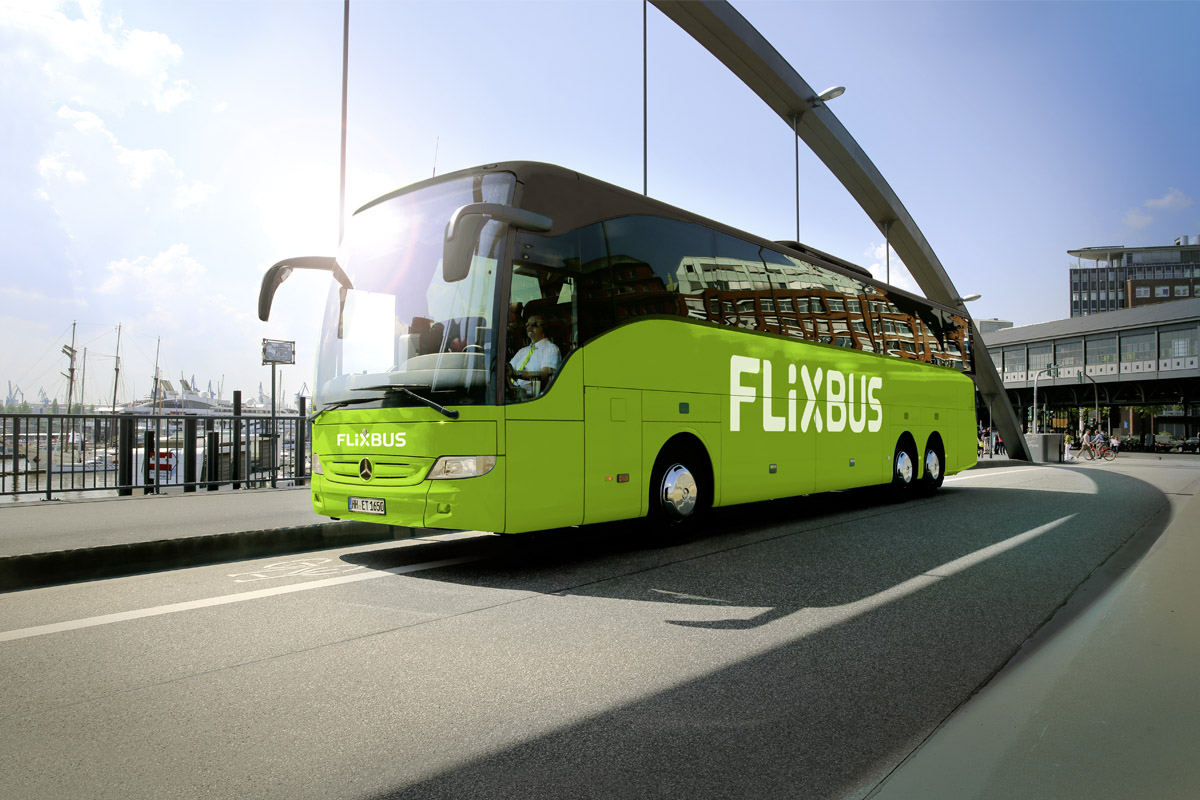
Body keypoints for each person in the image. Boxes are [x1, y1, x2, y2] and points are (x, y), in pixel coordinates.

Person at [508, 314, 561, 397]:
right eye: (527, 324)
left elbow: (544, 374)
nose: (529, 327)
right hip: (512, 393)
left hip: (532, 397)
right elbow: (508, 369)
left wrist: (516, 374)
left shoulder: (551, 349)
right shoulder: (522, 351)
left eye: (534, 324)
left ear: (543, 327)